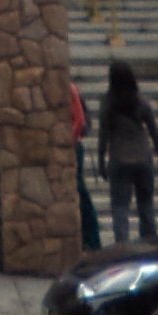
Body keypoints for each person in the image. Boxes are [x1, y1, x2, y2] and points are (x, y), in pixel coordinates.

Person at [97, 58, 158, 244]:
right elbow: (153, 132)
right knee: (146, 207)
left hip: (119, 159)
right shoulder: (141, 102)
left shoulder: (108, 104)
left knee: (120, 210)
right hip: (143, 158)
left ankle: (123, 250)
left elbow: (103, 135)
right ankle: (151, 246)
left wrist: (100, 161)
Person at [70, 81, 101, 250]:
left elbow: (80, 121)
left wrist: (69, 140)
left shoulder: (70, 90)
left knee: (79, 190)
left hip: (73, 147)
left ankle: (91, 236)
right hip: (68, 147)